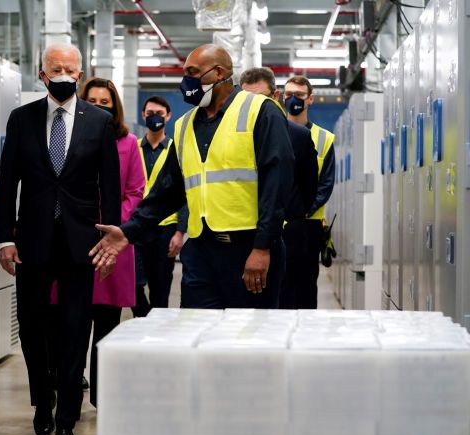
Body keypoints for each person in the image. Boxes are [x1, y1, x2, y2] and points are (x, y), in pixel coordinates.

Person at [90, 45, 294, 309]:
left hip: (248, 248)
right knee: (196, 336)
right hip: (201, 250)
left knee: (248, 340)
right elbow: (168, 190)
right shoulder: (184, 125)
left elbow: (277, 184)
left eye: (192, 72)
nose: (186, 81)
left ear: (219, 73)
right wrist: (129, 232)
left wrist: (263, 246)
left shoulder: (260, 110)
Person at [0, 43, 121, 435]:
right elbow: (6, 184)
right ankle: (42, 401)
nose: (64, 74)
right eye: (56, 68)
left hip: (81, 243)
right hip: (32, 241)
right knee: (31, 329)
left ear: (80, 74)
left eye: (70, 68)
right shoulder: (22, 119)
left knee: (73, 330)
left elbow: (111, 187)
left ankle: (67, 418)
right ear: (42, 74)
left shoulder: (98, 121)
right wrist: (5, 238)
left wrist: (109, 239)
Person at [70, 77, 144, 407]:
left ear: (114, 107)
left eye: (106, 102)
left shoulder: (128, 143)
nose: (100, 107)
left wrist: (113, 227)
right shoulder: (68, 137)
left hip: (112, 242)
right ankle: (68, 393)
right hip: (75, 239)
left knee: (106, 325)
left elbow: (135, 192)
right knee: (72, 325)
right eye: (93, 101)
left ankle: (102, 396)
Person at [239, 67, 319, 309]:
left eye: (260, 99)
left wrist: (290, 214)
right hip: (246, 231)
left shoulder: (298, 136)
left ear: (274, 98)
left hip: (289, 231)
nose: (253, 106)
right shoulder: (235, 136)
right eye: (246, 99)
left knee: (287, 298)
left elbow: (309, 187)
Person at [283, 75, 336, 309]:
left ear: (310, 99)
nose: (293, 99)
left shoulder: (324, 138)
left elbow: (325, 183)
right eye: (288, 94)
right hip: (276, 222)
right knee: (278, 284)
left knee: (305, 285)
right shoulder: (272, 131)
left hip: (308, 224)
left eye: (299, 95)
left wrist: (302, 210)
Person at [132, 96, 187, 317]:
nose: (155, 117)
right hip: (137, 225)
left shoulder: (178, 149)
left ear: (168, 117)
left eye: (160, 114)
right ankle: (144, 318)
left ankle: (156, 336)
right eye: (150, 113)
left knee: (161, 289)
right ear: (143, 115)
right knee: (133, 284)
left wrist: (180, 232)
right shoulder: (133, 147)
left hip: (166, 228)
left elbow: (185, 193)